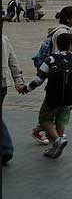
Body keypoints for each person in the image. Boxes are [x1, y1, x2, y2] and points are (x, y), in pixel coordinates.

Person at [24, 32, 72, 159]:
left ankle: (58, 141)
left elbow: (38, 79)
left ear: (57, 45)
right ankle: (56, 145)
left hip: (52, 97)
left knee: (45, 119)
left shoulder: (50, 59)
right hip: (69, 98)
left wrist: (27, 89)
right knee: (61, 120)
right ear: (71, 45)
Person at [30, 6, 72, 145]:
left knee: (55, 104)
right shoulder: (62, 33)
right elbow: (59, 56)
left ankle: (50, 132)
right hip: (58, 75)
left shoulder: (62, 30)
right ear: (67, 18)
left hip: (56, 74)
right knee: (54, 103)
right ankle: (46, 131)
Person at [2, 33, 26, 164]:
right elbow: (13, 60)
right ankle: (5, 150)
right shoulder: (4, 38)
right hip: (3, 83)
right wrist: (18, 80)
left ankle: (6, 150)